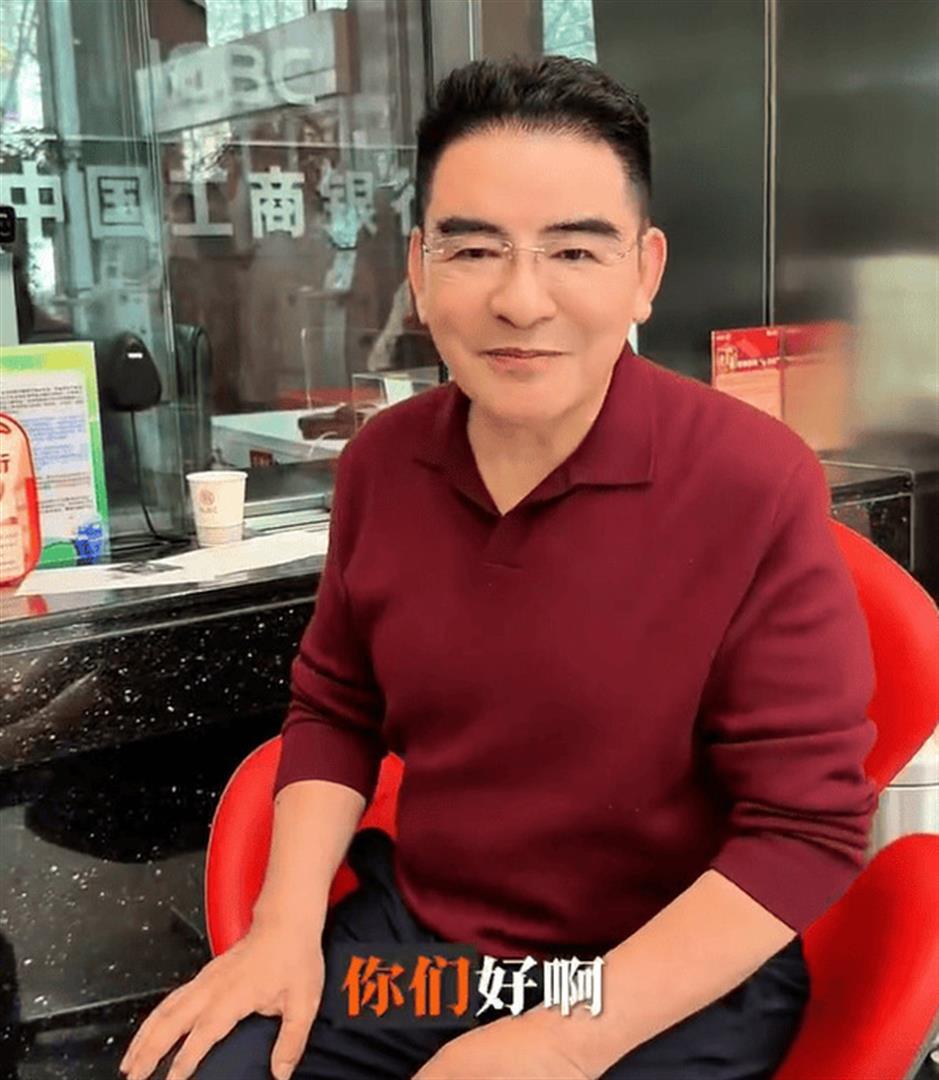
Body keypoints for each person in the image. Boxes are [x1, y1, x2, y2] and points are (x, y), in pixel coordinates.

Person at [120, 55, 877, 1080]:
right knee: (220, 1066)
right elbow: (338, 706)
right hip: (433, 966)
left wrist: (564, 1039)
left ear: (645, 271)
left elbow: (805, 825)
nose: (521, 301)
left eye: (575, 250)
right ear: (420, 267)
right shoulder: (385, 464)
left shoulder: (753, 481)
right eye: (475, 250)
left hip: (648, 978)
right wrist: (283, 930)